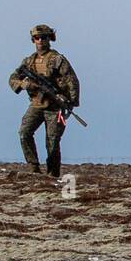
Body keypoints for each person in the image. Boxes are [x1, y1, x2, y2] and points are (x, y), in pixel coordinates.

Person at [8, 24, 80, 178]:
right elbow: (13, 78)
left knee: (52, 141)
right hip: (36, 104)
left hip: (54, 107)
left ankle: (53, 174)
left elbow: (72, 80)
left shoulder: (57, 59)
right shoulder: (28, 62)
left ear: (50, 39)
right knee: (24, 133)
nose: (40, 40)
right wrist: (23, 84)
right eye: (36, 38)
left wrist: (70, 101)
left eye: (44, 37)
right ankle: (33, 167)